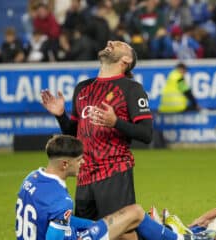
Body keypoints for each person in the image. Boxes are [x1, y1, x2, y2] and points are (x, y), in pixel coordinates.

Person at [41, 40, 153, 238]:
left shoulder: (132, 89)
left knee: (123, 234)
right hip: (84, 174)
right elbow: (74, 133)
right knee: (87, 233)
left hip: (114, 171)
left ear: (126, 60)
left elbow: (146, 134)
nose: (110, 42)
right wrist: (60, 115)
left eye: (119, 44)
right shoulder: (82, 88)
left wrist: (115, 122)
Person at [16, 134, 213, 240]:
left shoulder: (31, 179)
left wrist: (95, 226)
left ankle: (176, 235)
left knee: (124, 229)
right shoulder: (62, 200)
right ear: (65, 164)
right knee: (134, 212)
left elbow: (54, 219)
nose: (83, 163)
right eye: (79, 160)